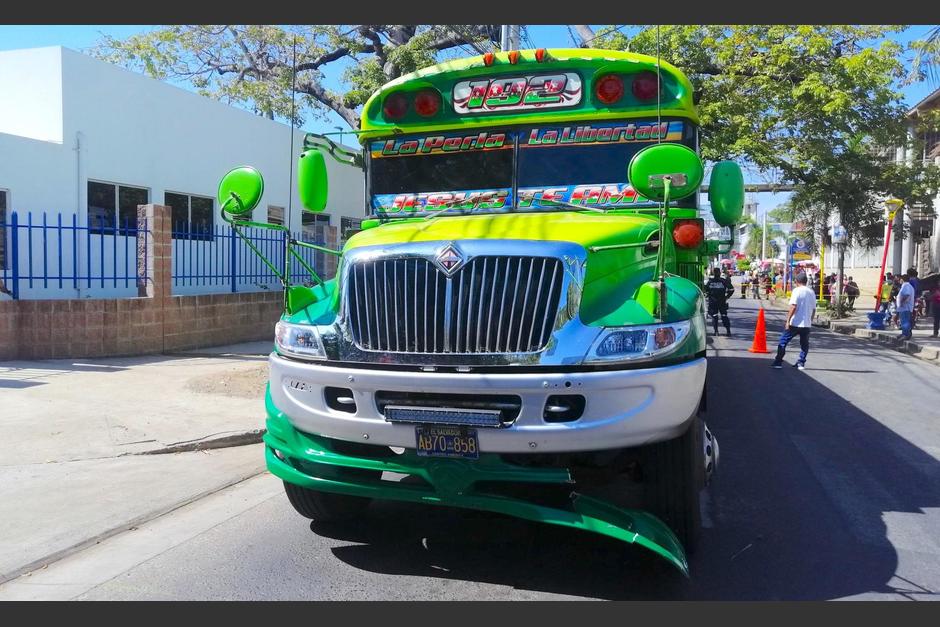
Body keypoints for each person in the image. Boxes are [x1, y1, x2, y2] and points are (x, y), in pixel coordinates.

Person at [771, 272, 816, 370]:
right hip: (806, 324)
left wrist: (787, 320)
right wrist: (810, 320)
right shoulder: (811, 292)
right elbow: (813, 309)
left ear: (796, 281)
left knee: (783, 342)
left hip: (795, 323)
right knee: (804, 344)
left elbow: (793, 306)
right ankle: (801, 363)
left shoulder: (796, 291)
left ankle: (778, 362)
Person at [704, 267, 734, 336]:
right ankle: (728, 331)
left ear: (713, 273)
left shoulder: (710, 282)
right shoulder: (723, 281)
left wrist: (708, 296)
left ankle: (716, 332)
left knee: (715, 316)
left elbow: (706, 291)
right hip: (721, 301)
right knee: (724, 316)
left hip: (713, 302)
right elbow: (731, 289)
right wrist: (727, 297)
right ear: (719, 273)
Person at [896, 272, 915, 340]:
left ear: (902, 279)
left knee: (905, 321)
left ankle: (906, 334)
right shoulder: (905, 286)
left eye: (900, 279)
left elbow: (907, 295)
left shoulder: (906, 286)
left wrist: (901, 302)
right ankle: (904, 333)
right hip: (903, 308)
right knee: (903, 321)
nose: (899, 281)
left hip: (905, 307)